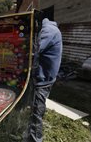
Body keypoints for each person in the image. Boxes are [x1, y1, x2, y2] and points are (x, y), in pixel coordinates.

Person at [27, 13, 62, 142]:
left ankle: (35, 139)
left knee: (36, 112)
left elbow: (32, 50)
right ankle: (28, 135)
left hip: (43, 80)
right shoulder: (50, 28)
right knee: (34, 109)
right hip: (44, 77)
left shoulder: (48, 30)